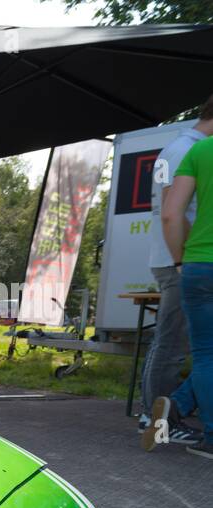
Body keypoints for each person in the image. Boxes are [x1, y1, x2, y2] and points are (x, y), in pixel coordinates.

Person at [139, 97, 212, 446]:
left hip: (175, 255)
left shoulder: (179, 146)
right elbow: (173, 210)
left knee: (175, 343)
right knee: (172, 345)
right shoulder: (187, 149)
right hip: (178, 257)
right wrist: (183, 258)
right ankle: (155, 418)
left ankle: (162, 412)